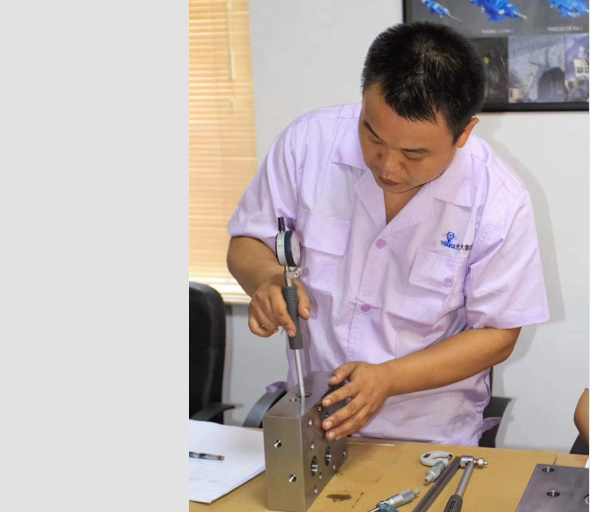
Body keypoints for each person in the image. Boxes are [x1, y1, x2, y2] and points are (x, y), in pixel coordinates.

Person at [227, 22, 549, 446]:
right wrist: (266, 280)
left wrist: (389, 379)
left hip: (429, 439)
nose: (388, 167)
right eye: (373, 136)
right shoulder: (307, 145)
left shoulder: (497, 198)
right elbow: (247, 241)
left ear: (464, 134)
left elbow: (498, 334)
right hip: (314, 422)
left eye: (414, 154)